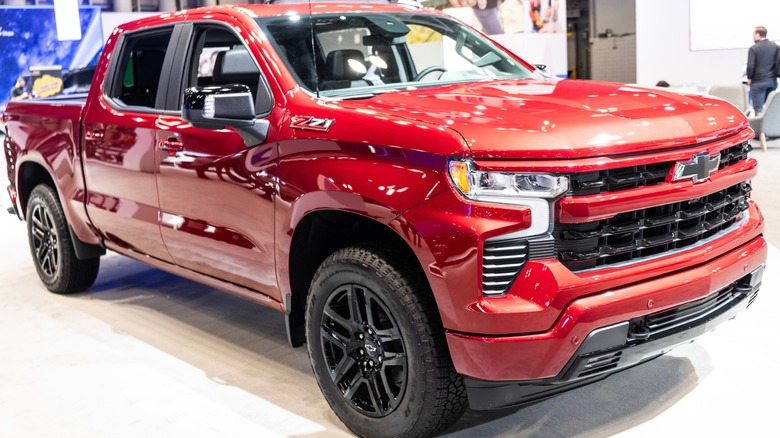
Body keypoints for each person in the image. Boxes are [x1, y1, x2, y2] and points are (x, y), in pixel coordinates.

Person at [746, 26, 779, 114]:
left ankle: (760, 127)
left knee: (758, 110)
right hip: (772, 81)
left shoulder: (754, 48)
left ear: (757, 34)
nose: (753, 36)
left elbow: (750, 66)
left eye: (754, 34)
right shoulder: (775, 46)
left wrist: (749, 77)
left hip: (758, 83)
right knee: (771, 109)